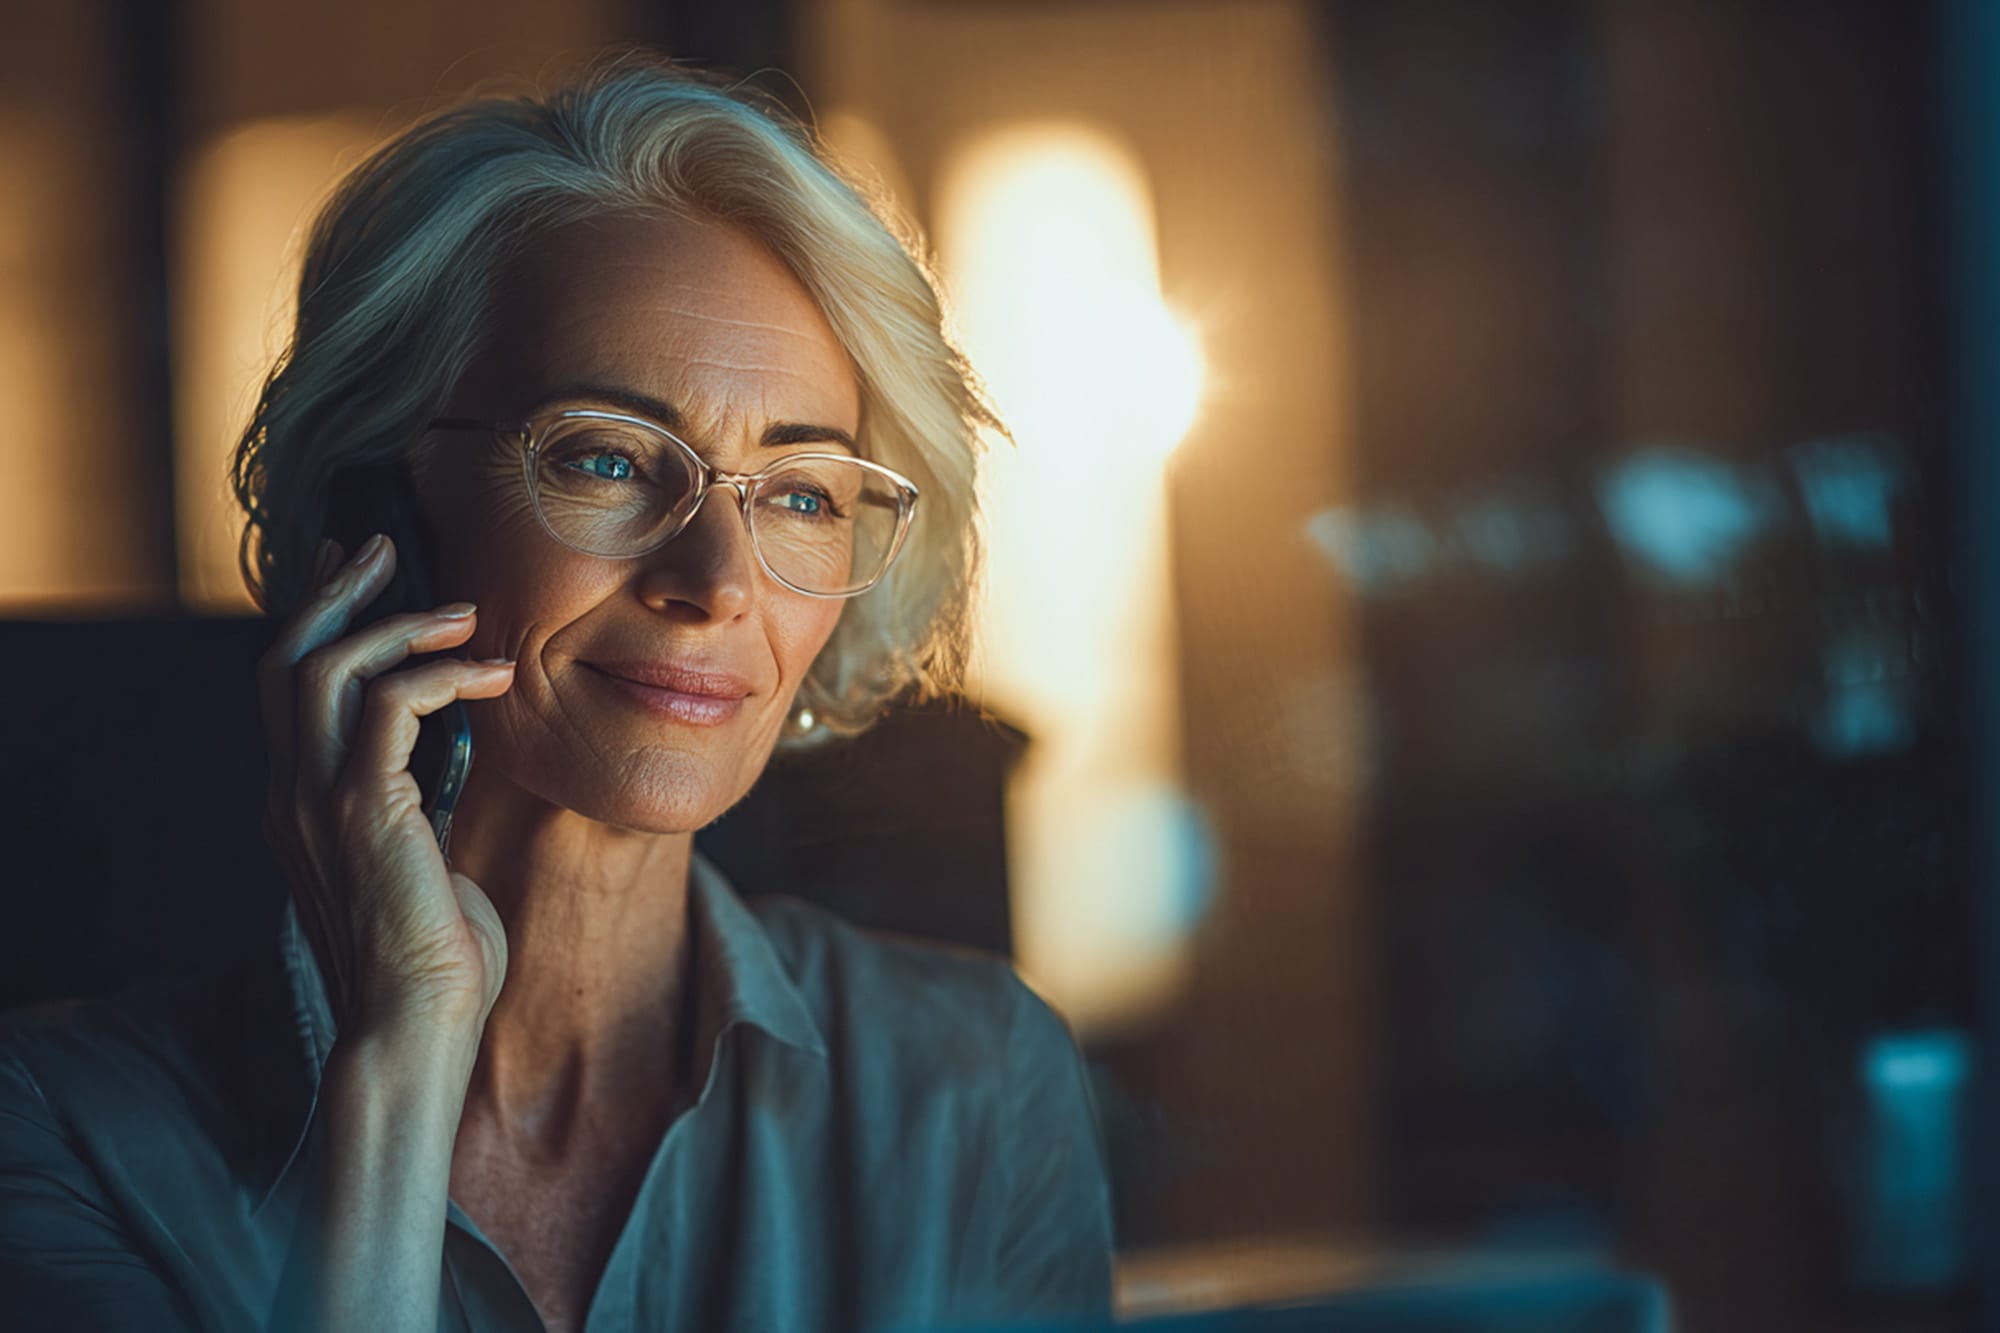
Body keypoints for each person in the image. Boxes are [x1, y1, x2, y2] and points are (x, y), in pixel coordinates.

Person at [0, 56, 1114, 1332]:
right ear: (378, 517)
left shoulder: (978, 1087)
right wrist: (398, 1074)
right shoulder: (56, 1131)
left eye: (802, 492)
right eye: (604, 457)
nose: (716, 582)